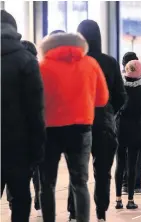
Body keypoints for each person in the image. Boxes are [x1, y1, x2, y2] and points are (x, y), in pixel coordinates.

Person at [39, 31, 109, 222]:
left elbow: (36, 100)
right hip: (81, 127)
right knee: (80, 182)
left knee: (47, 183)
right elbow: (102, 99)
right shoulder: (90, 64)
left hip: (50, 129)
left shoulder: (43, 66)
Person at [63, 20, 127, 222]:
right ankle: (101, 213)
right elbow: (120, 95)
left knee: (77, 172)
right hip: (103, 123)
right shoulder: (109, 62)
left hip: (76, 123)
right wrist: (108, 111)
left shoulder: (73, 62)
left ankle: (74, 213)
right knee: (103, 171)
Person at [1, 10, 46, 222]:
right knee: (20, 200)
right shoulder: (26, 60)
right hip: (19, 148)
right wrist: (37, 150)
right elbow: (36, 110)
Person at [5, 40, 42, 217]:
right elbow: (37, 108)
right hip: (23, 137)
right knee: (30, 173)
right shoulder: (31, 68)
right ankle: (38, 199)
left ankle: (13, 202)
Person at [115, 60, 141, 210]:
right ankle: (130, 200)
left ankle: (118, 200)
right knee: (132, 165)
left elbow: (114, 106)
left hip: (120, 128)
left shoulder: (120, 88)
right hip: (136, 129)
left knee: (120, 164)